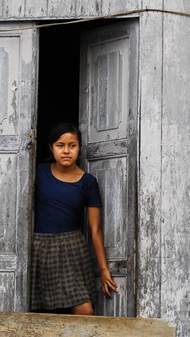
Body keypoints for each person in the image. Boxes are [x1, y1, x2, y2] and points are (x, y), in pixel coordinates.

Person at [30, 123, 118, 315]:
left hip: (72, 249)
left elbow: (95, 230)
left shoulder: (88, 182)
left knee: (85, 311)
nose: (66, 151)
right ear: (51, 148)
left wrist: (104, 269)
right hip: (38, 248)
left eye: (72, 145)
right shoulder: (38, 173)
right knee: (38, 313)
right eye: (60, 145)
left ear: (79, 148)